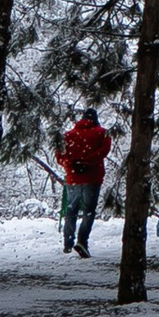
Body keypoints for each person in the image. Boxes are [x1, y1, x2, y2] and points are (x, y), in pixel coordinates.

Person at [57, 108, 111, 258]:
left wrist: (71, 164)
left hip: (73, 177)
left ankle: (68, 241)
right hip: (92, 176)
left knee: (71, 210)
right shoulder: (102, 133)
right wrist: (88, 162)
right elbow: (104, 151)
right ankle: (82, 241)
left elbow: (59, 154)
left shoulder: (68, 136)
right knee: (88, 210)